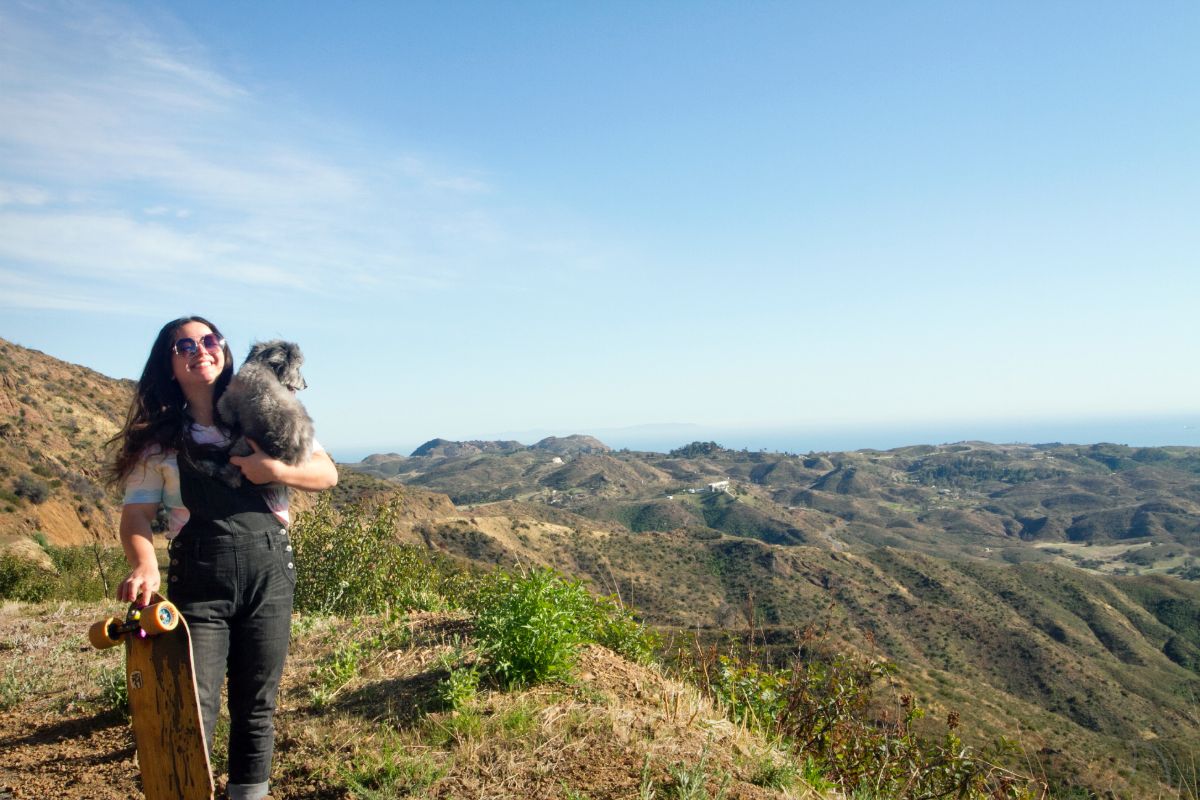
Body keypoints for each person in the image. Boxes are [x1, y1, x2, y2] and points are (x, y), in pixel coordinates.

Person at [108, 316, 337, 800]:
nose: (200, 350)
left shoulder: (264, 413)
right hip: (200, 581)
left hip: (270, 575)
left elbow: (326, 473)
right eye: (184, 345)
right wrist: (145, 564)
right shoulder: (160, 443)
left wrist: (272, 469)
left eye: (210, 340)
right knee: (194, 704)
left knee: (258, 704)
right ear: (169, 364)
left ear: (225, 349)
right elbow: (136, 518)